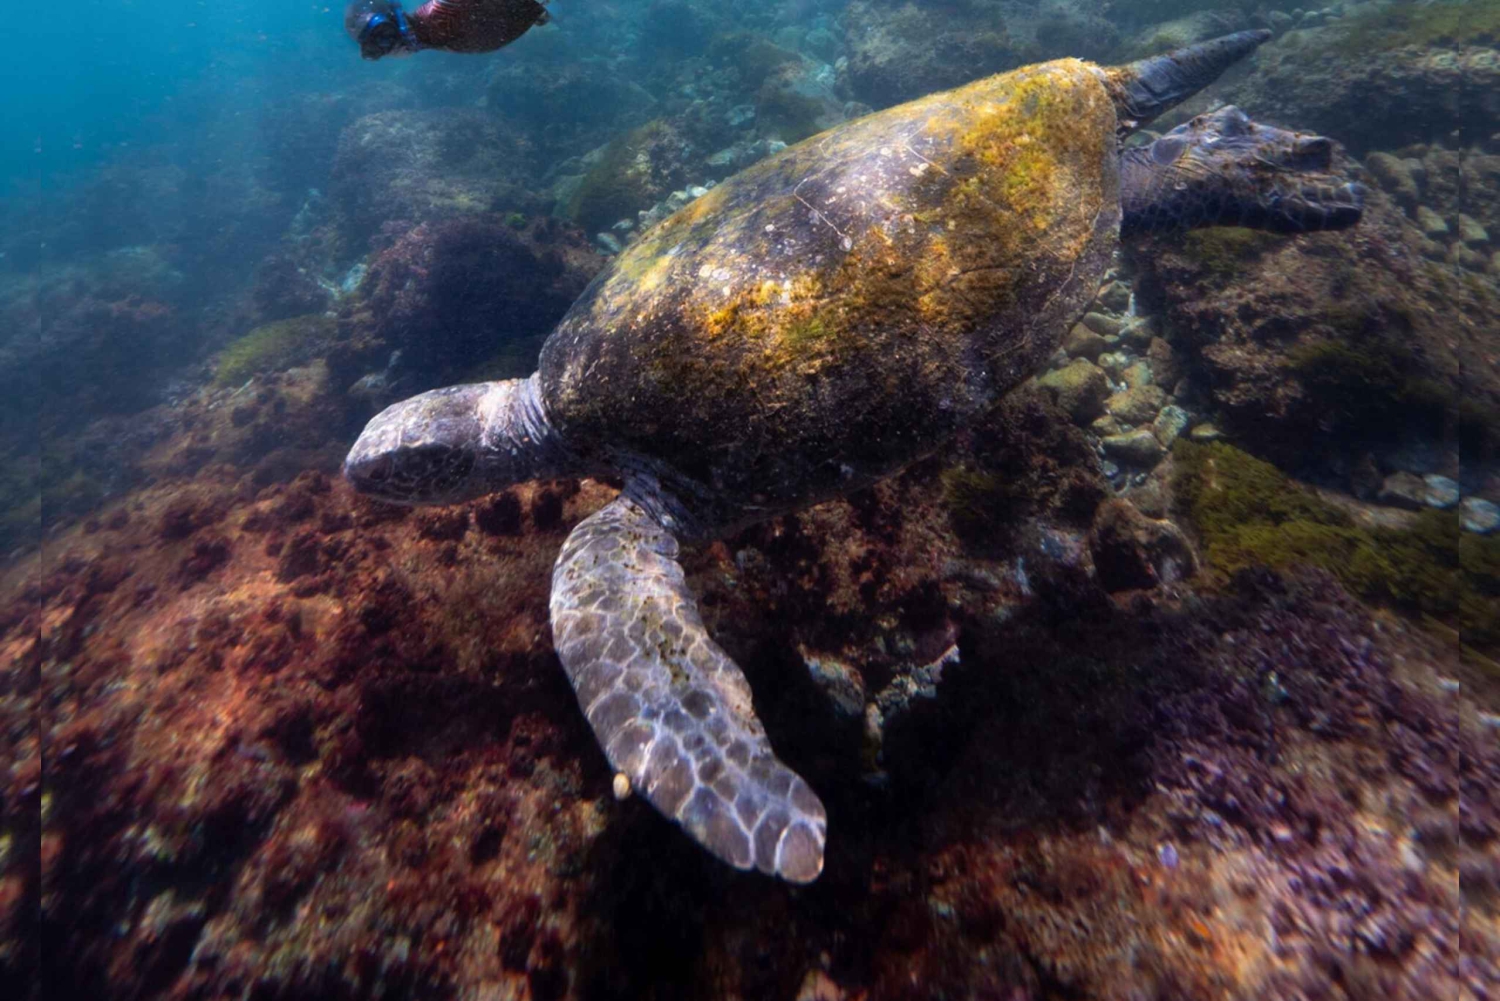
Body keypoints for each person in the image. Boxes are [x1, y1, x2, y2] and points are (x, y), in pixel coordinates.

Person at [345, 0, 550, 60]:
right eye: (378, 47)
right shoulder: (435, 28)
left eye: (384, 37)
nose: (388, 48)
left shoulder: (437, 19)